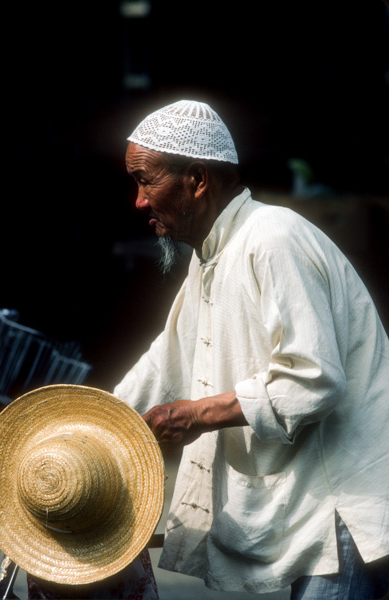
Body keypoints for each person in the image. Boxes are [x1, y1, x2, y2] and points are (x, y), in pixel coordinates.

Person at [114, 99, 389, 599]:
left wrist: (196, 414)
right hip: (312, 505)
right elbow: (164, 362)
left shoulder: (273, 237)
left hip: (342, 507)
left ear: (197, 180)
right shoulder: (214, 255)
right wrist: (92, 433)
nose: (138, 201)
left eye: (145, 180)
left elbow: (313, 377)